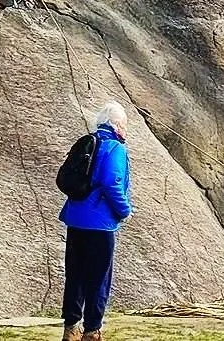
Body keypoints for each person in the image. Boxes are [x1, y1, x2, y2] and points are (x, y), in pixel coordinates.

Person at [59, 101, 133, 341]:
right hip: (100, 223)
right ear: (117, 125)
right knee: (99, 278)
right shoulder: (115, 148)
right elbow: (112, 182)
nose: (125, 129)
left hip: (75, 218)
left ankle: (71, 328)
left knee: (75, 274)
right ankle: (92, 330)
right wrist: (124, 210)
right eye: (124, 124)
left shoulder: (87, 142)